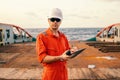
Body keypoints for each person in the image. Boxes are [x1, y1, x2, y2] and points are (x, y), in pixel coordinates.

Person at [36, 8, 77, 80]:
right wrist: (60, 57)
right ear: (48, 20)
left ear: (61, 22)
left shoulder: (63, 36)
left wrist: (73, 50)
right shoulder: (42, 37)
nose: (55, 22)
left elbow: (67, 51)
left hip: (63, 75)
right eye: (52, 19)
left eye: (58, 20)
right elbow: (42, 58)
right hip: (50, 76)